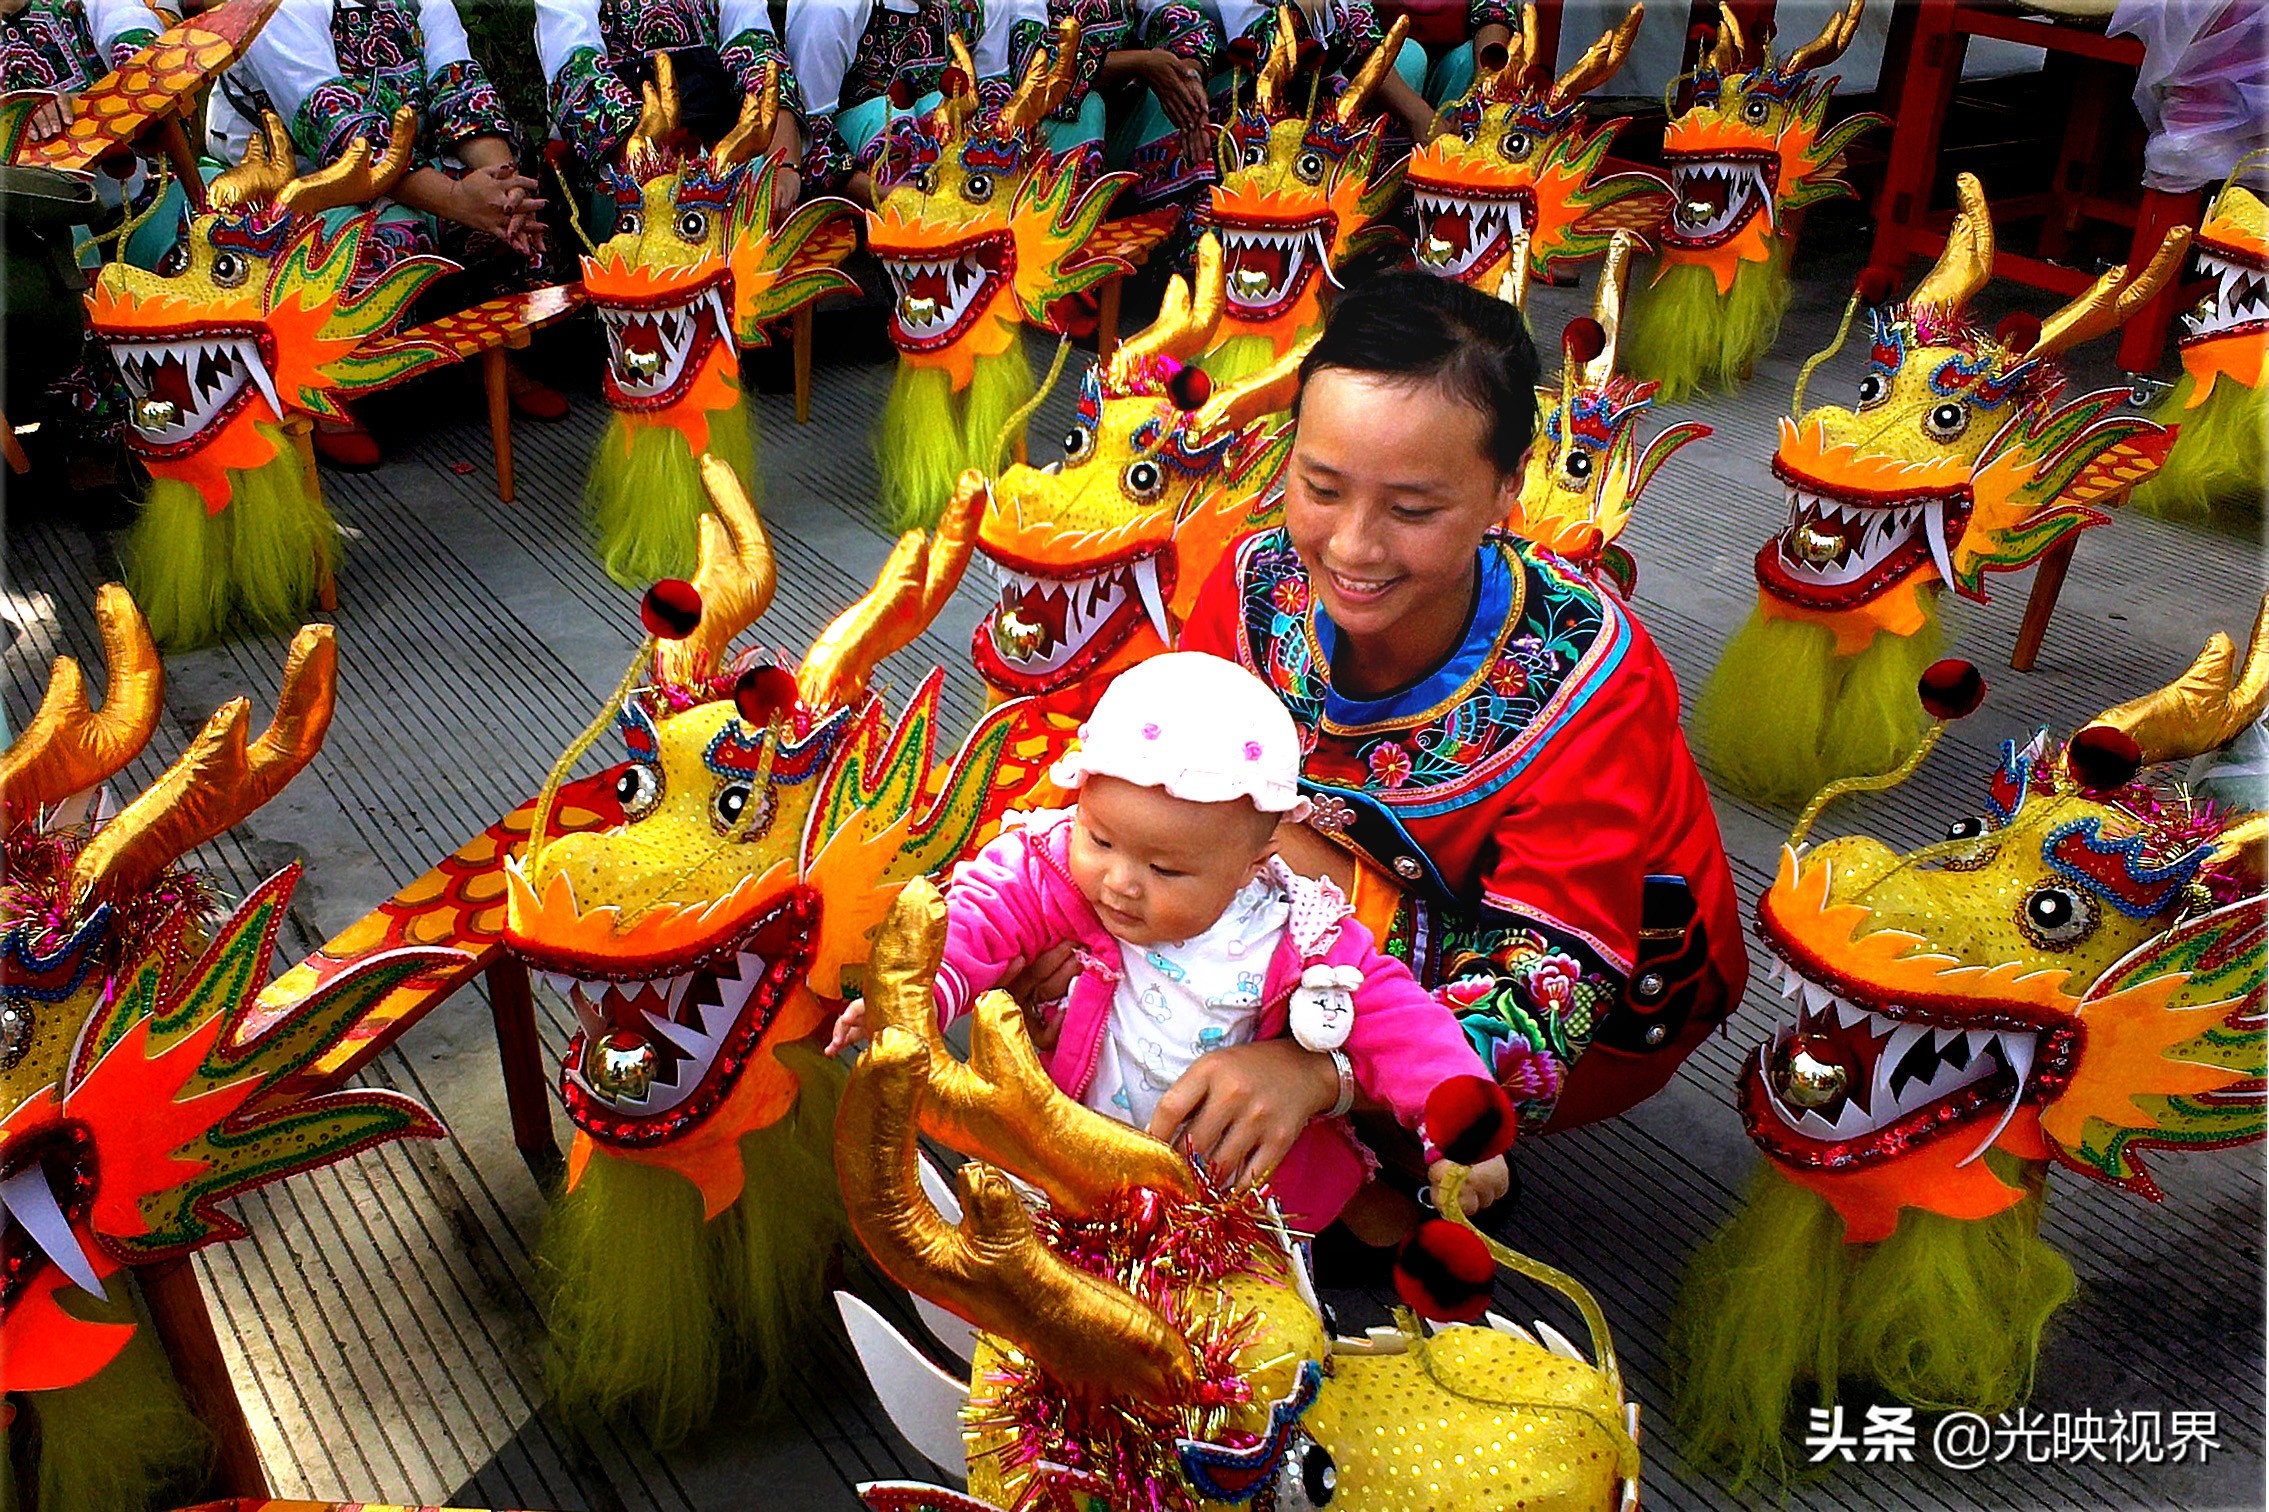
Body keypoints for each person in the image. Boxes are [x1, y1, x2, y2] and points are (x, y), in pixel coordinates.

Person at [1177, 269, 1748, 1172]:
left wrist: (1313, 1070)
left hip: (1601, 987)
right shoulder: (1253, 581)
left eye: (1412, 510)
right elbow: (1163, 779)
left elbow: (1547, 989)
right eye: (1319, 487)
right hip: (1335, 905)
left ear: (1503, 490)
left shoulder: (1593, 673)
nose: (1353, 546)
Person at [829, 651, 1510, 1233]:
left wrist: (1463, 1128)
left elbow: (1401, 1024)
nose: (1120, 882)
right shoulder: (1051, 870)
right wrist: (909, 999)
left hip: (1234, 1205)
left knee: (1238, 1348)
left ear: (1251, 865)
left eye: (1164, 870)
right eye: (1098, 837)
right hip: (1072, 1163)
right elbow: (976, 921)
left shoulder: (1299, 934)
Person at [196, 0, 559, 464]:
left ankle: (485, 347)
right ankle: (324, 385)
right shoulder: (272, 6)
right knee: (387, 240)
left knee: (520, 196)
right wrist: (455, 200)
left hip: (409, 167)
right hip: (298, 182)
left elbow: (460, 86)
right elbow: (339, 130)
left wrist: (501, 186)